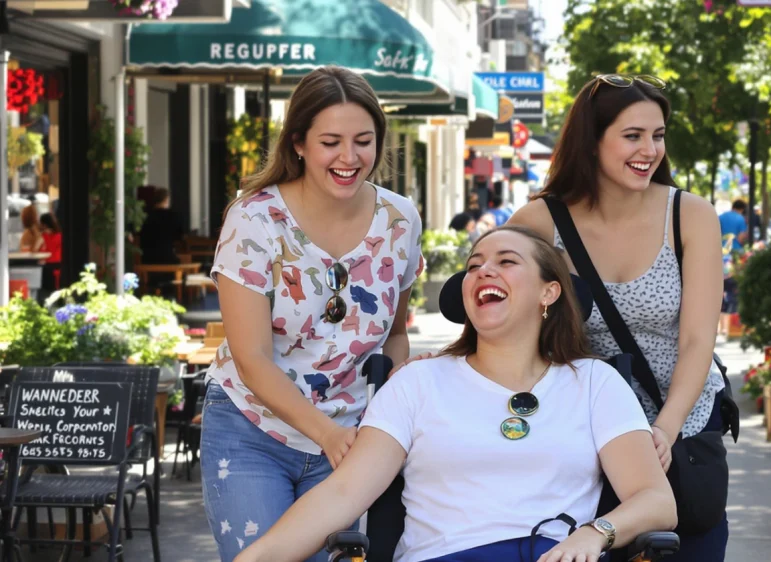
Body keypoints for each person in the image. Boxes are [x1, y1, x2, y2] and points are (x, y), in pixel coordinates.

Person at [236, 226, 676, 562]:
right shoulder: (417, 383)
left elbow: (656, 500)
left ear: (550, 291)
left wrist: (596, 532)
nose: (484, 270)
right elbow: (343, 494)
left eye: (506, 262)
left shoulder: (594, 382)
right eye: (474, 265)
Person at [201, 66, 423, 562]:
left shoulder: (400, 218)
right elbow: (252, 357)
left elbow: (395, 336)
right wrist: (327, 434)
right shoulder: (254, 219)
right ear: (298, 142)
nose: (350, 157)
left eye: (363, 140)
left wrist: (382, 424)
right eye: (331, 142)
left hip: (353, 438)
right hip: (251, 431)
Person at [506, 74, 730, 560]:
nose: (649, 149)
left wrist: (665, 429)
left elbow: (697, 340)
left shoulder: (690, 215)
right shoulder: (538, 224)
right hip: (579, 435)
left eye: (658, 134)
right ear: (592, 142)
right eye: (632, 135)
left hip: (680, 424)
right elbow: (504, 328)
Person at [138, 187, 186, 265]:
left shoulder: (146, 216)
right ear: (166, 199)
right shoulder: (174, 216)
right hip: (168, 258)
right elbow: (180, 237)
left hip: (147, 259)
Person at [39, 213, 62, 292]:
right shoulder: (60, 236)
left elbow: (39, 251)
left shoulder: (43, 236)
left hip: (48, 266)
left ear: (44, 224)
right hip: (59, 266)